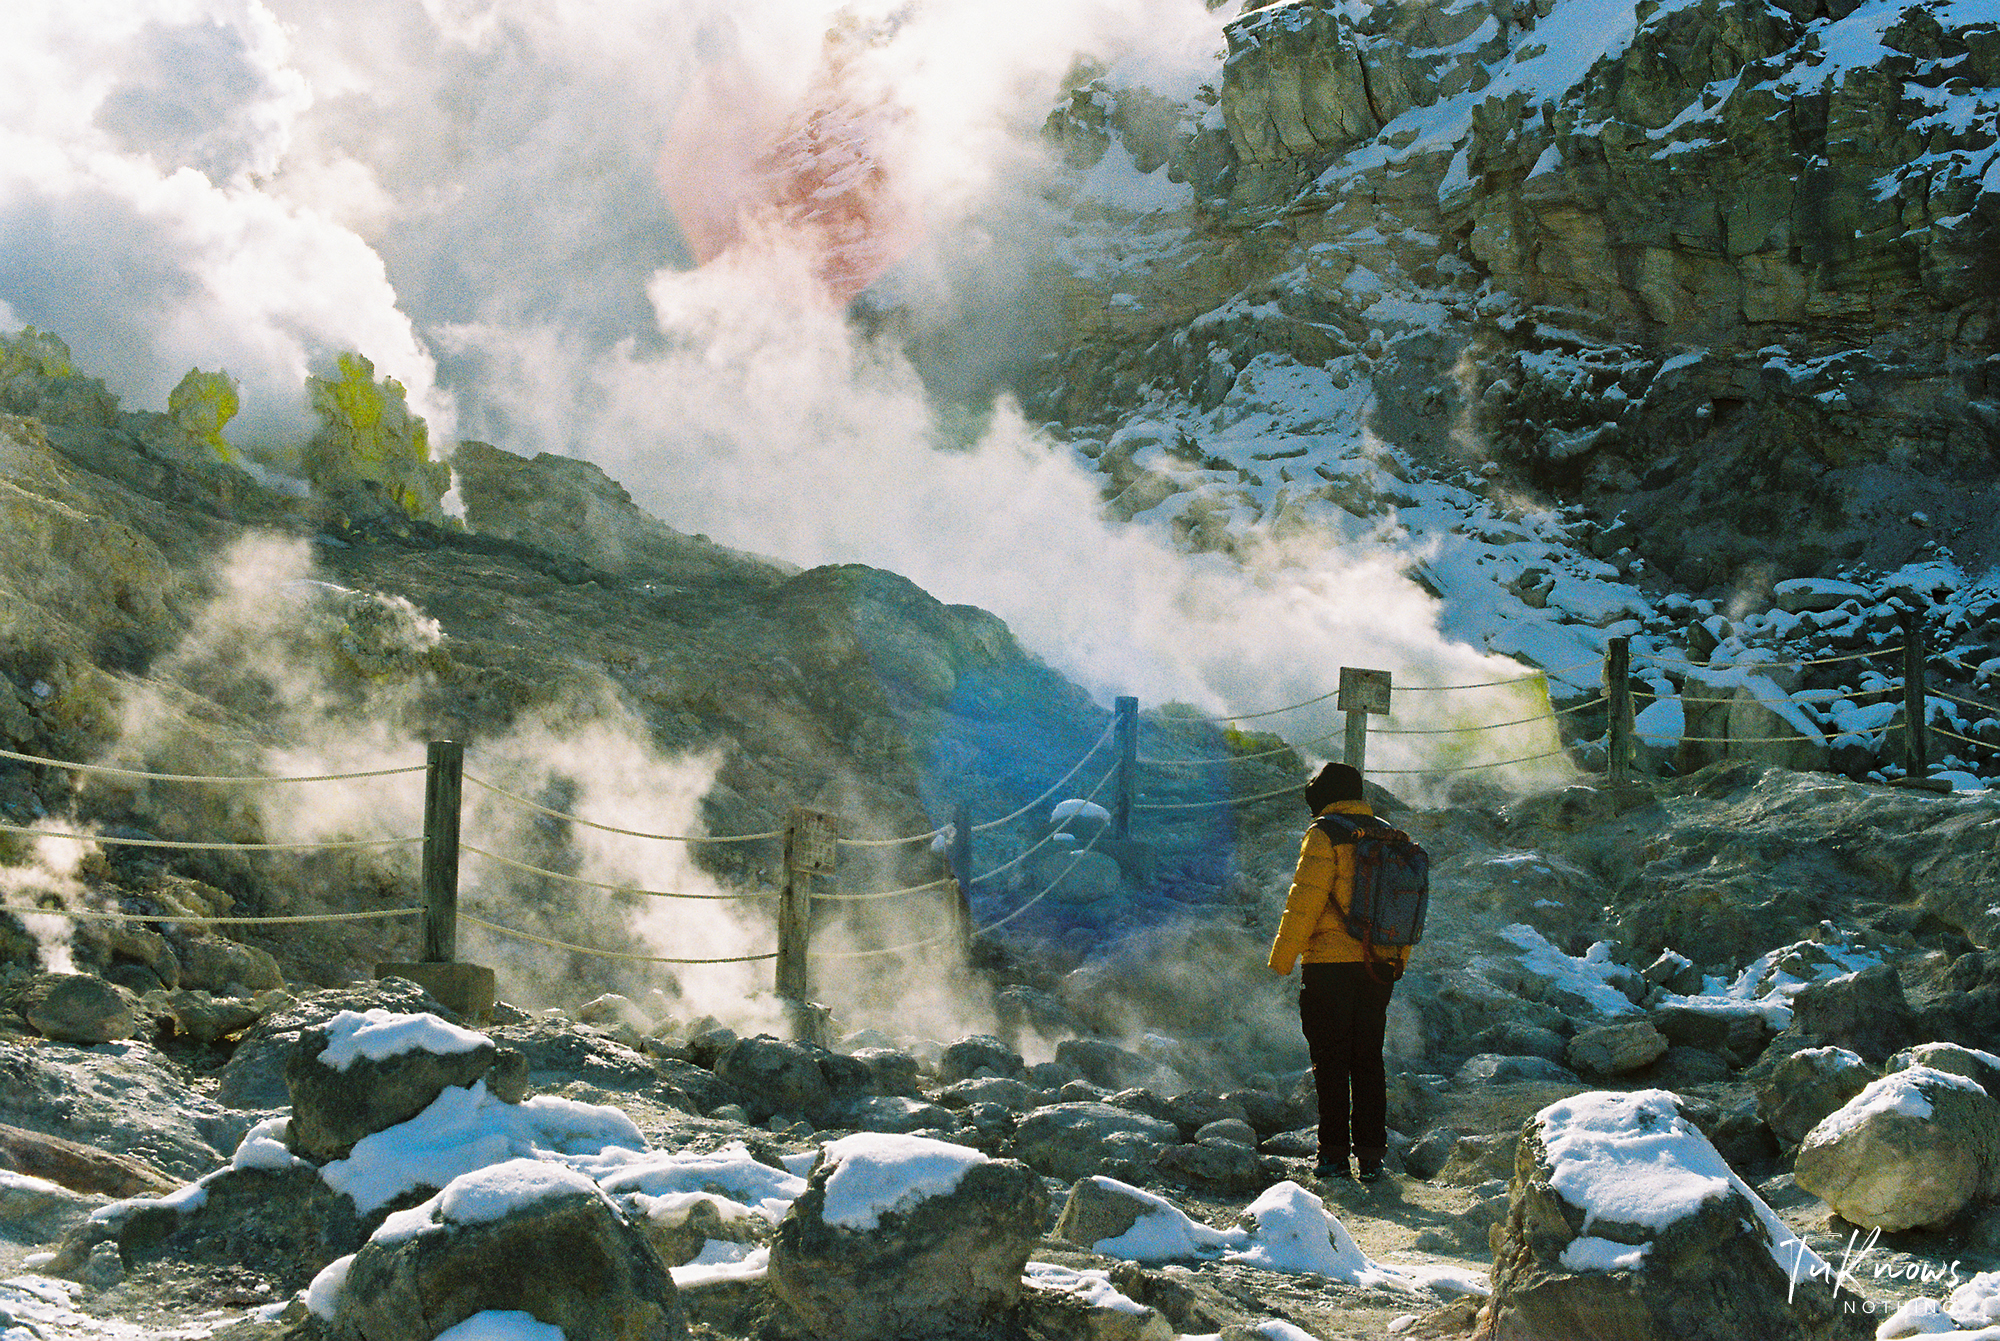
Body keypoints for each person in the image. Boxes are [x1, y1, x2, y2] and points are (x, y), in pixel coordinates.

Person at [1267, 761, 1411, 1182]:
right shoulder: (1387, 834)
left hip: (1329, 967)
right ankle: (1370, 1155)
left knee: (1330, 1060)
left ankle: (1331, 1154)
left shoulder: (1324, 834)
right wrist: (1397, 959)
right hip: (1378, 967)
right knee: (1368, 1059)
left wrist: (1282, 959)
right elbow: (1403, 906)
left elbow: (1305, 902)